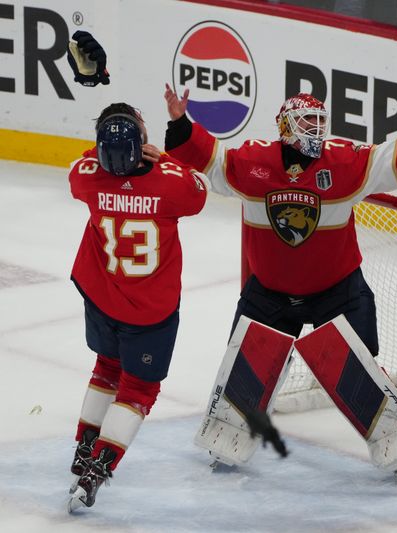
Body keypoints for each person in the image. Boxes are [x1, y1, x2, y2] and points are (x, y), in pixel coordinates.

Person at [162, 85, 397, 476]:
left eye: (321, 122)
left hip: (338, 290)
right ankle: (228, 438)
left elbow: (391, 157)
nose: (317, 130)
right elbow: (211, 159)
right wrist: (180, 123)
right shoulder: (253, 163)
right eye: (307, 122)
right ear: (285, 127)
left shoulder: (344, 163)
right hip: (269, 293)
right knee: (247, 367)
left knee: (360, 367)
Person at [66, 100, 210, 511]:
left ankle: (84, 453)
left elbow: (80, 171)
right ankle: (100, 467)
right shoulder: (170, 183)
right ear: (141, 143)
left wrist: (100, 153)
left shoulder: (88, 178)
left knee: (106, 368)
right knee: (138, 389)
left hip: (101, 297)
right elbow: (198, 191)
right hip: (150, 309)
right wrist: (164, 158)